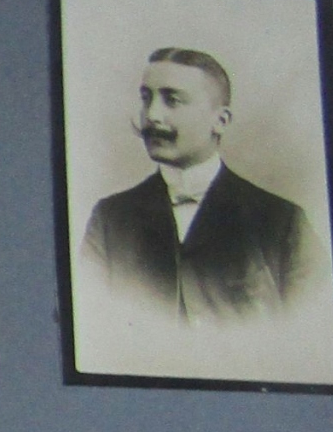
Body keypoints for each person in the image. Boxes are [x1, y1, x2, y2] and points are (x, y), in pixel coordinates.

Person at [83, 47, 318, 321]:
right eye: (146, 99)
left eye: (172, 100)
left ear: (220, 121)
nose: (152, 115)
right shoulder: (109, 220)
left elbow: (310, 327)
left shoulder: (283, 223)